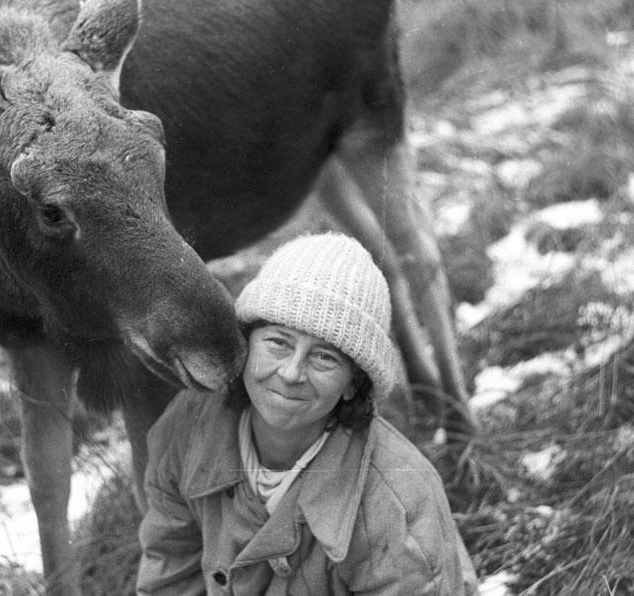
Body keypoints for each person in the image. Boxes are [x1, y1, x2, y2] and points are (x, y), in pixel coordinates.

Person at [137, 232, 477, 595]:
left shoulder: (400, 502)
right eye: (278, 342)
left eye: (324, 357)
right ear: (246, 344)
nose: (291, 373)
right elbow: (171, 574)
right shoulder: (190, 426)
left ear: (352, 384)